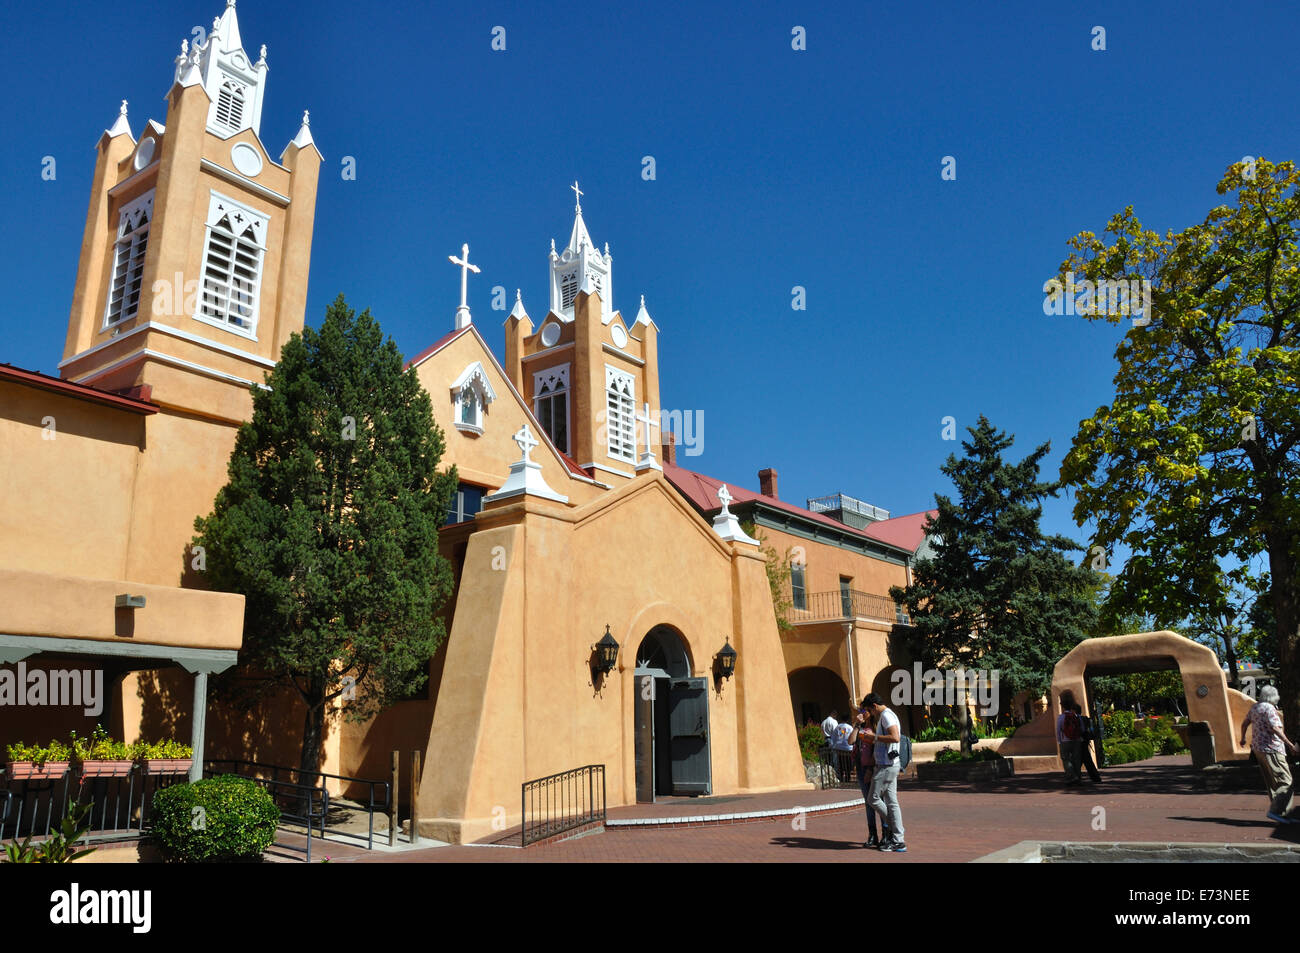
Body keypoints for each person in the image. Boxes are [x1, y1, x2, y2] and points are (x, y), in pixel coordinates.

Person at [1238, 685, 1299, 824]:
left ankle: (1281, 814)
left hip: (1258, 749)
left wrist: (1242, 738)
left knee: (1272, 782)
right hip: (1272, 749)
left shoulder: (1255, 707)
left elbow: (1244, 723)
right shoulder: (1270, 708)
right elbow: (1275, 728)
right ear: (1272, 696)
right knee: (1286, 781)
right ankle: (1276, 811)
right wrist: (1290, 745)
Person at [859, 692, 906, 852]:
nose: (870, 714)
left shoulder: (886, 716)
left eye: (869, 710)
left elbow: (895, 737)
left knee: (872, 798)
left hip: (886, 765)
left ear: (874, 706)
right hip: (888, 764)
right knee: (892, 802)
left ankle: (896, 831)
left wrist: (875, 737)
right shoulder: (888, 715)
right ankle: (898, 840)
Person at [849, 705, 891, 848]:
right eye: (860, 711)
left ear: (871, 712)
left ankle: (887, 833)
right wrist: (856, 725)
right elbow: (850, 741)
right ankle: (872, 835)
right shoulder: (860, 729)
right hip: (861, 769)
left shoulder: (875, 730)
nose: (862, 713)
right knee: (868, 803)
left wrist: (869, 769)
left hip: (872, 769)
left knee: (878, 801)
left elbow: (876, 750)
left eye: (864, 711)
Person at [1056, 691, 1083, 786]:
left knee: (1066, 759)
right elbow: (1081, 728)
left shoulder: (1061, 717)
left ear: (1063, 706)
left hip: (1065, 741)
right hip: (1076, 740)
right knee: (1076, 759)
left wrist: (1059, 742)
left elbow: (1058, 730)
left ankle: (1072, 776)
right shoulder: (1076, 716)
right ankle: (1078, 778)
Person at [1073, 703, 1102, 783]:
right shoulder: (1085, 718)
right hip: (1085, 740)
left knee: (1079, 761)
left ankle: (1076, 778)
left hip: (1080, 741)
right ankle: (1095, 777)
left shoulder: (1075, 719)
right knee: (1086, 760)